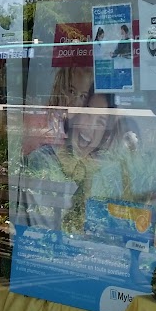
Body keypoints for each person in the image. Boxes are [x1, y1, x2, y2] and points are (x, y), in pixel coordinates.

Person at [21, 85, 131, 234]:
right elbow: (41, 228)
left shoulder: (106, 173)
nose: (90, 126)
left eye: (100, 122)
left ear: (105, 135)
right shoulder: (43, 161)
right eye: (88, 114)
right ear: (76, 114)